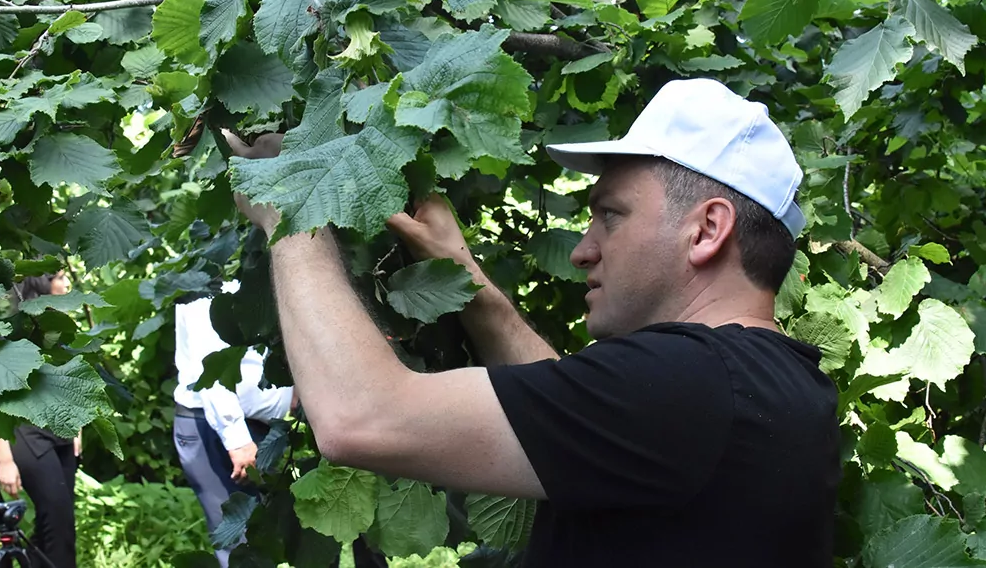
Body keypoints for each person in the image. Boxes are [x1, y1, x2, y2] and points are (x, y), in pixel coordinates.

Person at [227, 78, 840, 566]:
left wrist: (290, 208)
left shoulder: (695, 384)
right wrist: (464, 277)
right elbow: (584, 412)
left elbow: (361, 416)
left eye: (611, 216)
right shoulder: (771, 384)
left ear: (706, 229)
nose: (582, 249)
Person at [172, 280, 296, 567]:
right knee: (239, 542)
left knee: (269, 535)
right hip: (216, 428)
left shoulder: (252, 268)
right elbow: (211, 366)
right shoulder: (209, 279)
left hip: (260, 429)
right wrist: (236, 438)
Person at [0, 271, 81, 568]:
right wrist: (4, 459)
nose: (67, 282)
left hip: (62, 433)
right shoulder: (15, 330)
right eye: (58, 276)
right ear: (42, 283)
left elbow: (70, 380)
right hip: (26, 433)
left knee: (56, 523)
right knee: (58, 524)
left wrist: (77, 428)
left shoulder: (62, 326)